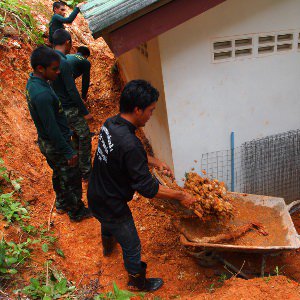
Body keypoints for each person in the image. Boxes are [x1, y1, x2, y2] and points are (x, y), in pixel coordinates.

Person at [87, 80, 197, 292]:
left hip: (96, 192)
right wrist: (181, 196)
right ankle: (137, 282)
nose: (150, 115)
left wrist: (155, 161)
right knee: (132, 245)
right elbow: (148, 188)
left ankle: (108, 245)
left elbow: (126, 153)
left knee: (106, 221)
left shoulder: (111, 124)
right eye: (150, 110)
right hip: (112, 203)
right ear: (137, 109)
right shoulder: (130, 143)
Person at [26, 46, 92, 221]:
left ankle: (62, 203)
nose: (58, 72)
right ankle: (76, 211)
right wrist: (68, 150)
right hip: (56, 143)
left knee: (58, 172)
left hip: (49, 142)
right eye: (54, 69)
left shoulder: (34, 83)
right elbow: (51, 127)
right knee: (71, 175)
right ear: (41, 68)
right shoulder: (42, 95)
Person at [51, 29, 92, 181]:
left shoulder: (50, 58)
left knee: (75, 135)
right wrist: (84, 110)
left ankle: (76, 169)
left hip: (58, 106)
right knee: (85, 136)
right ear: (68, 42)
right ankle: (86, 173)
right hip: (69, 108)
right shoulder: (65, 62)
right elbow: (72, 89)